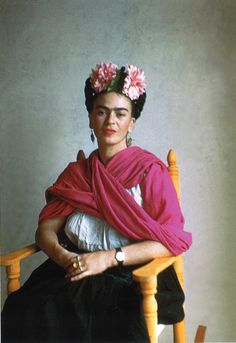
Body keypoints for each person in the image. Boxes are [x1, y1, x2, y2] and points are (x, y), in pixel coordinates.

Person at [2, 62, 192, 343]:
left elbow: (171, 240)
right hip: (74, 269)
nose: (110, 121)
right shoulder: (77, 174)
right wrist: (66, 258)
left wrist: (107, 258)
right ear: (91, 118)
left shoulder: (150, 172)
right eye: (101, 112)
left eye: (120, 113)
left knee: (103, 321)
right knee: (27, 310)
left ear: (132, 122)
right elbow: (45, 230)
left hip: (133, 275)